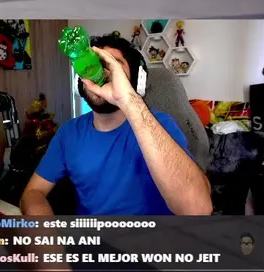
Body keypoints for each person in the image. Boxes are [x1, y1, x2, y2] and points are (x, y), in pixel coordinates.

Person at [20, 34, 212, 216]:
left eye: (113, 65)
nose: (101, 72)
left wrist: (128, 99)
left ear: (136, 82)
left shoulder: (161, 124)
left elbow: (197, 209)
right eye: (95, 63)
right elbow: (33, 192)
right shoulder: (68, 133)